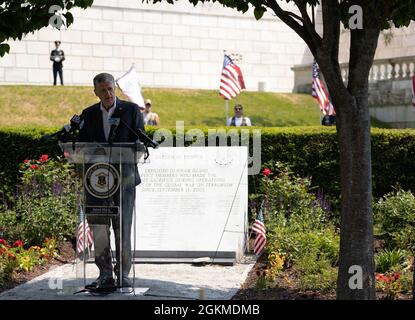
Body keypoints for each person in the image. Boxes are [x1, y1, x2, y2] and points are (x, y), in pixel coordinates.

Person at [77, 73, 145, 289]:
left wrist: (136, 148)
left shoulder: (131, 110)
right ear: (95, 92)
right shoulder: (88, 114)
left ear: (115, 88)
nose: (107, 94)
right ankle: (105, 273)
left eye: (110, 89)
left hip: (124, 179)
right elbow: (81, 145)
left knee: (123, 226)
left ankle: (123, 274)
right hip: (97, 180)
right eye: (103, 90)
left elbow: (140, 141)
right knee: (99, 226)